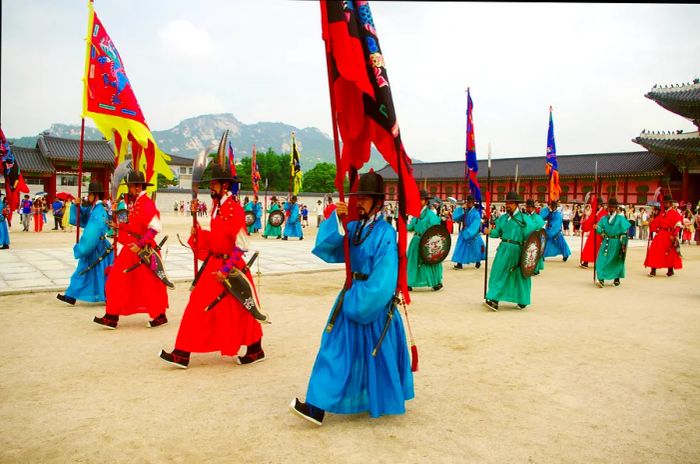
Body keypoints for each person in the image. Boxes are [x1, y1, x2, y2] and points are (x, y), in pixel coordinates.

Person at [289, 171, 414, 426]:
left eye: (366, 198)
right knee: (333, 350)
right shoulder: (355, 228)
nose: (360, 202)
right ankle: (316, 407)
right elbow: (330, 249)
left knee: (375, 357)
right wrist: (338, 218)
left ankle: (373, 398)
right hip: (350, 294)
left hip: (372, 305)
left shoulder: (386, 234)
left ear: (378, 203)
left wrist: (362, 304)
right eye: (359, 197)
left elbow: (385, 276)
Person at [160, 157, 265, 368]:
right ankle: (182, 352)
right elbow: (218, 239)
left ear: (224, 185)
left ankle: (255, 348)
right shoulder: (217, 208)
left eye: (214, 184)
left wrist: (227, 269)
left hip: (230, 269)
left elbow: (242, 244)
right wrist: (198, 233)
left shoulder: (234, 209)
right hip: (215, 266)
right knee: (199, 307)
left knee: (242, 310)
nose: (211, 188)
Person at [94, 169, 169, 329]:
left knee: (149, 285)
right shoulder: (135, 203)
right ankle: (112, 316)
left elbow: (155, 227)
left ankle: (159, 315)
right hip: (132, 250)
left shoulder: (147, 203)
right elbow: (133, 226)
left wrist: (141, 244)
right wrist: (118, 225)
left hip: (142, 251)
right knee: (118, 280)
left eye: (130, 186)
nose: (128, 189)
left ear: (137, 187)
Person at [57, 181, 114, 305]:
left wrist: (82, 248)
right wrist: (76, 206)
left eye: (90, 194)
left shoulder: (99, 212)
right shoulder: (92, 209)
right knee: (86, 271)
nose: (88, 197)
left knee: (99, 273)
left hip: (96, 247)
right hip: (96, 246)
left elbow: (91, 233)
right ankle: (71, 295)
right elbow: (83, 216)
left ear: (95, 195)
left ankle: (107, 296)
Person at [483, 192, 538, 311]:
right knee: (498, 272)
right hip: (503, 248)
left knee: (519, 275)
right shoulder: (503, 218)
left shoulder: (524, 219)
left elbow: (532, 237)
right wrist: (489, 232)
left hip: (517, 250)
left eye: (511, 203)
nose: (508, 205)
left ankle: (523, 300)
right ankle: (493, 299)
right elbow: (497, 232)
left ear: (517, 204)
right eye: (507, 203)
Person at [407, 190, 443, 291]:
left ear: (426, 201)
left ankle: (436, 282)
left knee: (430, 261)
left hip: (427, 242)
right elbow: (411, 227)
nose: (419, 201)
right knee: (412, 261)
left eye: (421, 199)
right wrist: (403, 224)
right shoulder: (416, 213)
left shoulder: (431, 215)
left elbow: (435, 228)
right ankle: (409, 282)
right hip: (416, 240)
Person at [594, 198, 630, 288]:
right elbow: (600, 229)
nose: (611, 209)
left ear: (616, 208)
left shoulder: (621, 218)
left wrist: (623, 244)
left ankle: (616, 278)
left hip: (617, 242)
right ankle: (601, 279)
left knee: (616, 261)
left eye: (613, 207)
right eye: (610, 207)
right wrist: (597, 228)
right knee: (600, 260)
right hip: (606, 242)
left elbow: (625, 231)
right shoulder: (604, 218)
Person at [644, 195, 683, 277]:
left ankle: (670, 270)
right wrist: (651, 222)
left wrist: (674, 235)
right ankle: (653, 270)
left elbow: (678, 225)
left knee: (670, 253)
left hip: (669, 235)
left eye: (667, 203)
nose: (665, 204)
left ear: (671, 203)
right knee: (654, 250)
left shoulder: (675, 214)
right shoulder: (662, 213)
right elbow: (655, 224)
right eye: (664, 203)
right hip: (660, 234)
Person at [451, 196, 484, 270]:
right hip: (464, 232)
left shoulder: (476, 213)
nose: (468, 204)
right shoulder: (465, 211)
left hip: (473, 233)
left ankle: (477, 261)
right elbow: (456, 218)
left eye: (469, 203)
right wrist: (461, 208)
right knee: (460, 247)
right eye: (467, 202)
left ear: (472, 203)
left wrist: (469, 232)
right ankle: (459, 263)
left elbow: (475, 224)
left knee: (476, 249)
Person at [579, 200, 607, 269]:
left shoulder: (604, 213)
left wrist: (599, 228)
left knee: (600, 249)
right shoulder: (594, 212)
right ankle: (586, 262)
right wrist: (584, 222)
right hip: (593, 233)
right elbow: (590, 222)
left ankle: (600, 263)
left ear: (600, 205)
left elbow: (606, 224)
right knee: (589, 247)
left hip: (600, 233)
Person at [524, 198, 545, 275]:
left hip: (535, 238)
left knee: (535, 253)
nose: (527, 208)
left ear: (532, 208)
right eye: (526, 207)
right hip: (526, 238)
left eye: (528, 207)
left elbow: (542, 228)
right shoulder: (524, 216)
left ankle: (536, 269)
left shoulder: (538, 217)